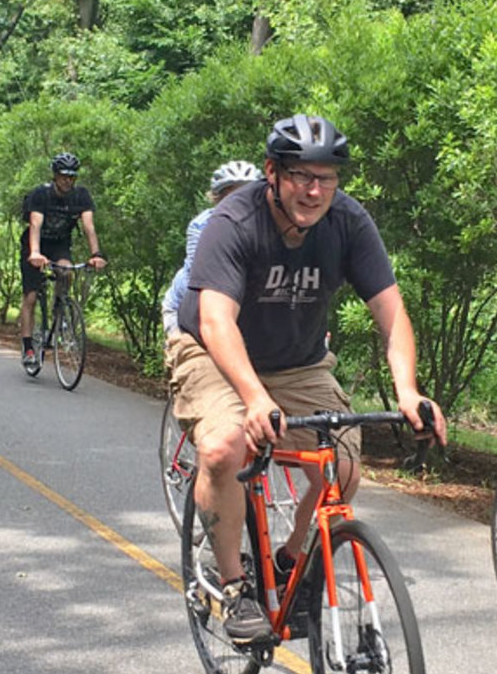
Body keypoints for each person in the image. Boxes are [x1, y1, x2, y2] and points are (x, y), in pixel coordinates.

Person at [172, 113, 447, 645]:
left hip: (297, 360)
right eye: (301, 175)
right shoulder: (235, 222)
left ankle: (288, 563)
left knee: (342, 468)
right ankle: (234, 586)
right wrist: (252, 398)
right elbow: (215, 320)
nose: (314, 189)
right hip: (213, 350)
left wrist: (409, 393)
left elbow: (391, 313)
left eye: (326, 177)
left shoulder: (348, 222)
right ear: (272, 173)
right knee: (225, 447)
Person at [161, 160, 263, 366]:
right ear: (217, 199)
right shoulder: (202, 226)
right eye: (232, 196)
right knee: (194, 370)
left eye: (247, 195)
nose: (240, 203)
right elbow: (200, 278)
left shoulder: (268, 229)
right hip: (187, 305)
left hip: (237, 310)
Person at [19, 152, 106, 370]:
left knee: (67, 272)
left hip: (59, 244)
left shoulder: (81, 196)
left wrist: (96, 254)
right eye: (64, 176)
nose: (68, 180)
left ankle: (61, 310)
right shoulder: (41, 194)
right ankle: (28, 347)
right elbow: (35, 225)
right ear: (55, 176)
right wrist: (36, 253)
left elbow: (89, 227)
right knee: (30, 296)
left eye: (72, 177)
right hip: (35, 244)